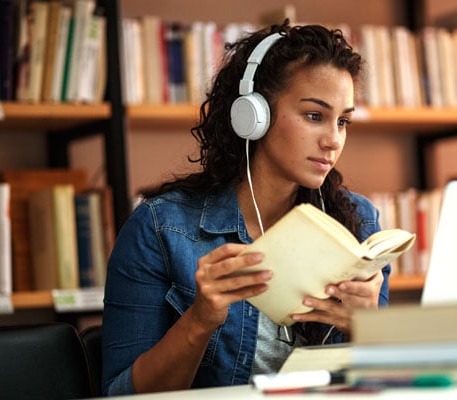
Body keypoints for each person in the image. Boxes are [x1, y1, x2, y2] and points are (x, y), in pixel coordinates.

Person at [101, 21, 391, 395]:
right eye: (314, 116)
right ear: (254, 115)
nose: (333, 140)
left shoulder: (359, 223)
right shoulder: (159, 229)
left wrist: (368, 327)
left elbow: (379, 386)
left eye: (343, 121)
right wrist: (200, 320)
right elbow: (121, 394)